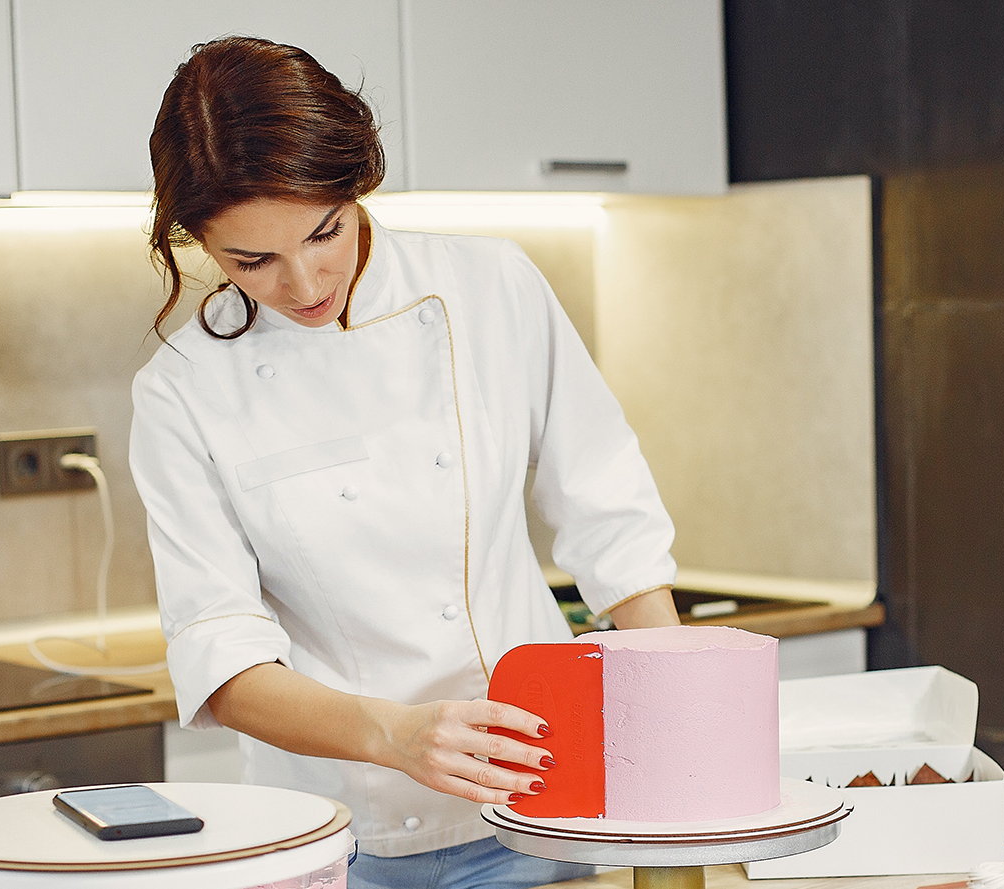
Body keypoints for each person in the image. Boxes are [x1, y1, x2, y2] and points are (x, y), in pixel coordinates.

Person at [128, 36, 682, 889]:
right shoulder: (183, 390)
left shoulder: (491, 286)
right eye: (252, 262)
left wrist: (679, 740)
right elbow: (221, 659)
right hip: (332, 834)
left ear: (360, 185)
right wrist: (394, 733)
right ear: (195, 240)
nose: (306, 282)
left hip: (537, 804)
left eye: (326, 231)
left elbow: (612, 520)